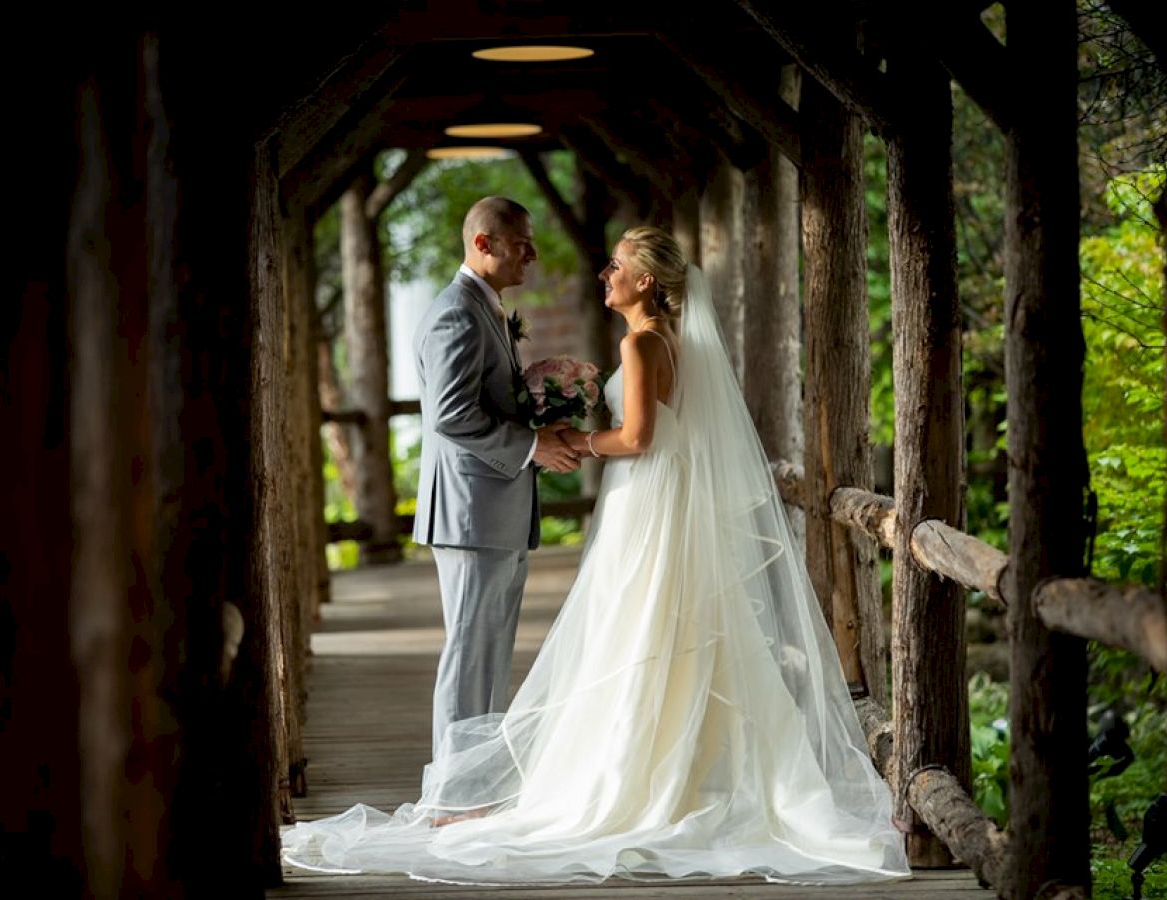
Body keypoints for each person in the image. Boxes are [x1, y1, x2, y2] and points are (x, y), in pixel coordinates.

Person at [282, 226, 911, 886]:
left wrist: (578, 440)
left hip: (645, 500)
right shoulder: (668, 341)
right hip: (652, 499)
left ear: (646, 281)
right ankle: (669, 765)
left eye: (617, 265)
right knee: (653, 630)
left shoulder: (640, 342)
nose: (604, 273)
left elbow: (637, 436)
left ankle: (628, 778)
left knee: (629, 630)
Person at [410, 196, 579, 761]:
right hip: (469, 512)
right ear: (484, 243)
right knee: (469, 654)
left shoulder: (487, 306)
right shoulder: (456, 312)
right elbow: (451, 414)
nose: (531, 253)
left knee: (489, 653)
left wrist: (539, 418)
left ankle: (472, 783)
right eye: (521, 242)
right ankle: (452, 793)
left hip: (492, 510)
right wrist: (533, 446)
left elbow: (485, 400)